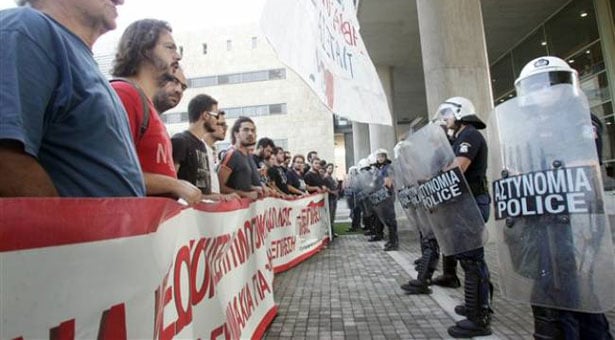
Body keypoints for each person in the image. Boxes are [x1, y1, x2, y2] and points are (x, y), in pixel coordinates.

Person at [498, 56, 613, 339]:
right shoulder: (541, 126)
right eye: (533, 87)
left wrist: (532, 180)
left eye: (544, 85)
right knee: (573, 294)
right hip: (548, 221)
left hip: (574, 222)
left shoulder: (580, 119)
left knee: (557, 296)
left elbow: (584, 168)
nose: (539, 93)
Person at [0, 0, 145, 197]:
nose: (121, 1)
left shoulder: (86, 63)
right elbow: (7, 163)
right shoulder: (25, 29)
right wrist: (62, 224)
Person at [111, 19, 201, 205]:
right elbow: (112, 172)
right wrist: (175, 185)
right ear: (144, 49)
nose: (177, 56)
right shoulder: (124, 94)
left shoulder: (148, 107)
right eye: (170, 47)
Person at [438, 97, 492, 338]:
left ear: (461, 113)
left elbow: (459, 166)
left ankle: (478, 317)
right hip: (464, 203)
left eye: (448, 112)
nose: (445, 117)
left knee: (472, 259)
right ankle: (477, 305)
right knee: (469, 257)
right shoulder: (459, 137)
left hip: (472, 202)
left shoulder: (469, 135)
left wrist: (436, 176)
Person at [171, 94, 230, 200]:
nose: (217, 121)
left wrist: (221, 197)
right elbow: (171, 187)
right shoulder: (180, 141)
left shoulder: (202, 146)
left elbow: (203, 191)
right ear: (206, 115)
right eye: (216, 116)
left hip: (202, 214)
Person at [218, 117, 263, 200]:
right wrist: (245, 194)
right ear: (236, 134)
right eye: (246, 130)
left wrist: (255, 188)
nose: (250, 133)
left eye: (253, 130)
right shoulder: (232, 154)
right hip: (235, 210)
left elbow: (239, 183)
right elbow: (219, 187)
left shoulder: (249, 156)